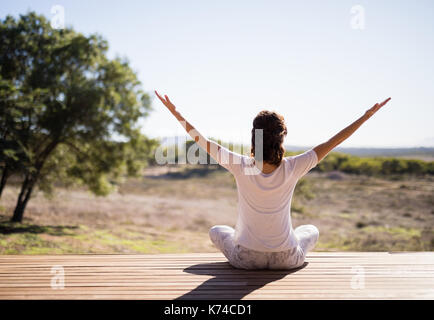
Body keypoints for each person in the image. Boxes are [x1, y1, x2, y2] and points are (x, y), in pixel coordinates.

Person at [155, 90, 391, 270]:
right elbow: (334, 142)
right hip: (287, 258)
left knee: (218, 230)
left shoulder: (242, 166)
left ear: (253, 137)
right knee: (311, 230)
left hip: (246, 258)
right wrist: (365, 117)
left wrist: (176, 113)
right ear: (282, 138)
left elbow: (202, 141)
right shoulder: (293, 166)